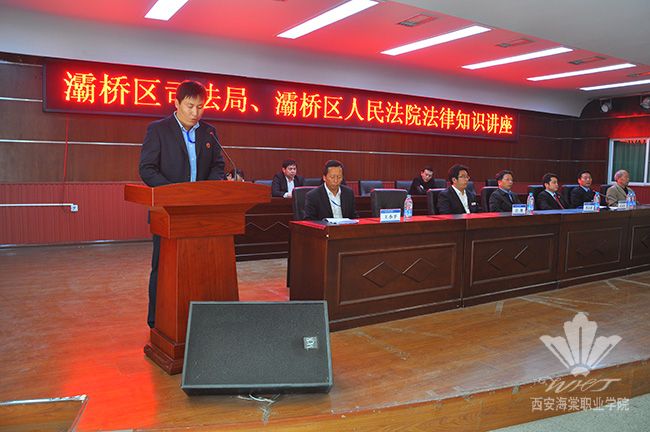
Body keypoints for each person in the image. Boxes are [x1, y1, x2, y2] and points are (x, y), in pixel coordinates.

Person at [139, 80, 225, 328]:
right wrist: (176, 194)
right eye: (190, 106)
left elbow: (218, 165)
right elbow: (147, 169)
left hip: (200, 212)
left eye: (200, 106)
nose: (195, 112)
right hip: (168, 211)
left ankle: (199, 319)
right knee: (163, 267)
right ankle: (157, 320)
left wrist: (205, 191)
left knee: (200, 267)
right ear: (176, 104)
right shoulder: (158, 130)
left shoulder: (209, 132)